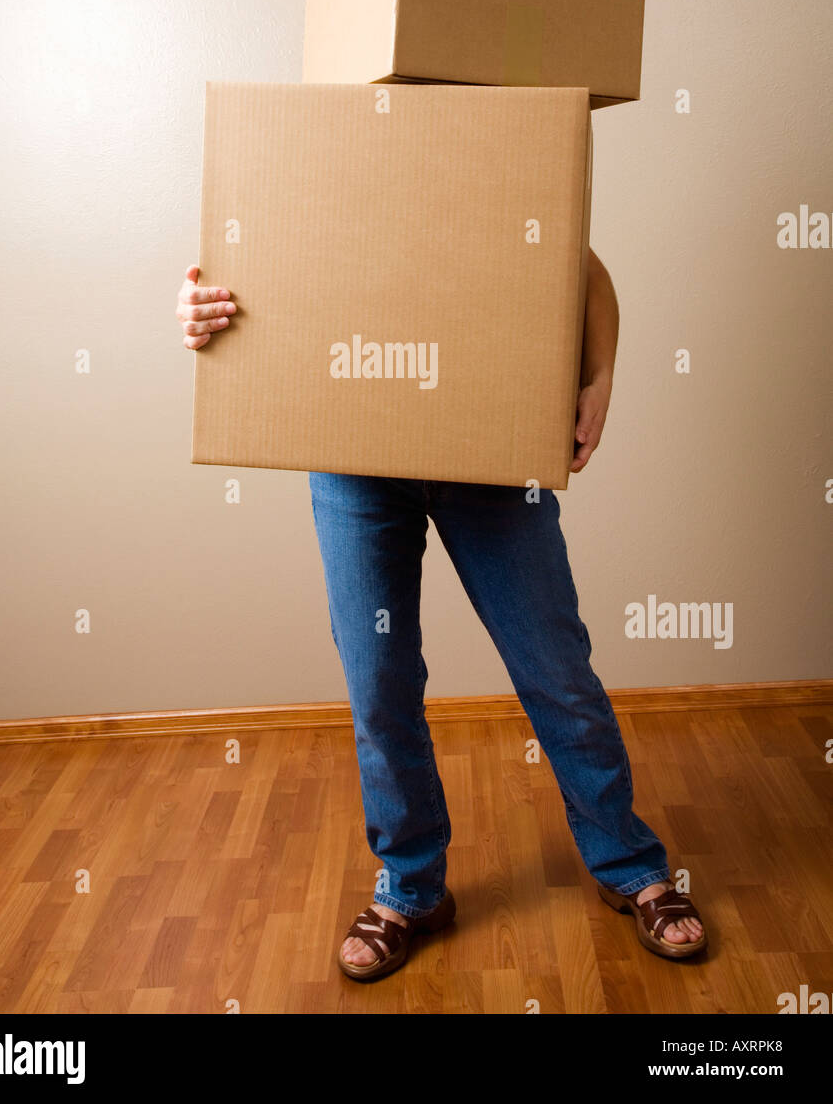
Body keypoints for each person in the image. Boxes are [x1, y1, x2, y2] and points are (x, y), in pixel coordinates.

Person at [176, 254, 707, 982]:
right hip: (352, 455)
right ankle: (411, 888)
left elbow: (583, 268)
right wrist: (198, 308)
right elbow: (249, 266)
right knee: (377, 679)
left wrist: (598, 378)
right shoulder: (307, 152)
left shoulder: (486, 143)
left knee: (554, 667)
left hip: (487, 442)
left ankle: (629, 864)